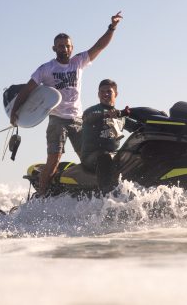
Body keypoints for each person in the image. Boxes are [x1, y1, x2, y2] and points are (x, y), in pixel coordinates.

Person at [10, 12, 123, 196]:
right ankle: (42, 196)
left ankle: (91, 195)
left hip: (78, 120)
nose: (64, 49)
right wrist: (15, 111)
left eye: (67, 46)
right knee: (54, 159)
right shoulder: (46, 69)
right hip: (57, 120)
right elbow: (27, 90)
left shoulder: (78, 62)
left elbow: (99, 46)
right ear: (54, 48)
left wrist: (112, 27)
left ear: (72, 48)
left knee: (88, 159)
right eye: (60, 46)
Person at [81, 79, 138, 194]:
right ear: (98, 94)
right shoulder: (91, 111)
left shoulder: (120, 116)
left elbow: (137, 127)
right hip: (92, 157)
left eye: (109, 91)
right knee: (105, 156)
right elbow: (88, 117)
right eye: (102, 92)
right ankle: (107, 195)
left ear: (116, 94)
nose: (105, 94)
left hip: (114, 156)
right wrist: (106, 114)